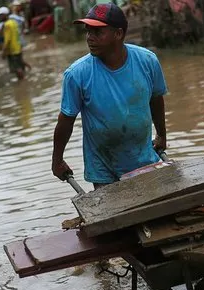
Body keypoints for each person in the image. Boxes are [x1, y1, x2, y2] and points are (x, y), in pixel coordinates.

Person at [51, 3, 168, 189]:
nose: (89, 38)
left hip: (144, 159)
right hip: (104, 167)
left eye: (97, 32)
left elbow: (156, 99)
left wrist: (161, 135)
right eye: (88, 31)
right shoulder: (77, 74)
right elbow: (66, 121)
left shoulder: (147, 61)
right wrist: (57, 160)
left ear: (118, 34)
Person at [0, 6, 27, 80]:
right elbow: (18, 35)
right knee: (20, 66)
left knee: (16, 68)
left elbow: (7, 40)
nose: (0, 16)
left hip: (12, 50)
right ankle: (24, 80)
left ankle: (23, 84)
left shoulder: (7, 25)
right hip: (18, 48)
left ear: (5, 15)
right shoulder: (13, 22)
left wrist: (3, 52)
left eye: (1, 15)